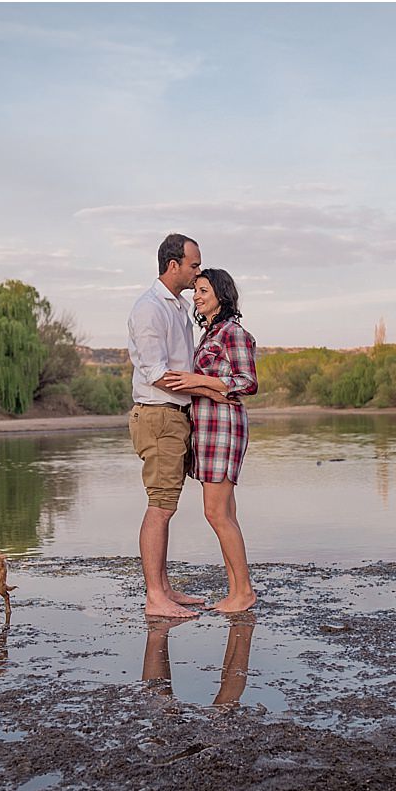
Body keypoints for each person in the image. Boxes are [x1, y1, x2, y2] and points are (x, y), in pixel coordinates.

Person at [127, 234, 237, 618]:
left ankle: (164, 588)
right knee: (159, 506)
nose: (197, 272)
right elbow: (156, 372)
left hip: (175, 418)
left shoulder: (176, 307)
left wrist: (203, 388)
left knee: (166, 505)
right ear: (173, 265)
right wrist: (202, 385)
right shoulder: (149, 309)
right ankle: (155, 598)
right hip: (158, 416)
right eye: (193, 265)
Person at [163, 268, 258, 613]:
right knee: (225, 512)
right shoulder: (210, 333)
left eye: (204, 290)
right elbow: (208, 384)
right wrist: (202, 385)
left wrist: (196, 380)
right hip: (208, 427)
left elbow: (247, 383)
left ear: (221, 294)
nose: (197, 295)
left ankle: (244, 592)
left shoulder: (233, 332)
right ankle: (237, 591)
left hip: (224, 427)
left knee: (216, 512)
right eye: (196, 291)